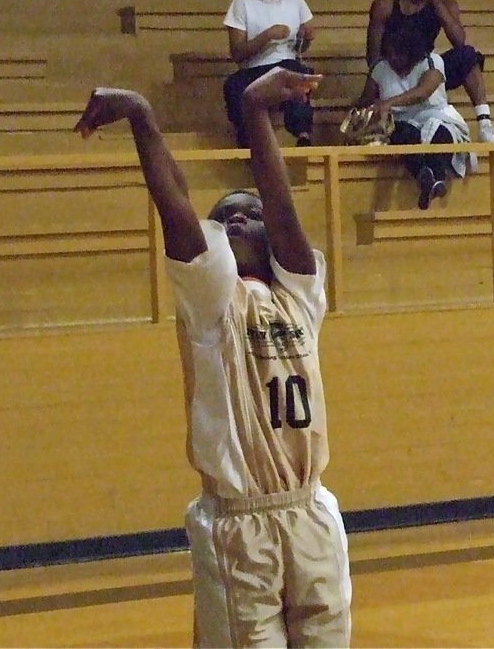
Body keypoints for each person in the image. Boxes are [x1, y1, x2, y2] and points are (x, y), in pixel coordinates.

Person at [73, 68, 352, 648]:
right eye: (226, 216)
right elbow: (174, 205)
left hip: (311, 513)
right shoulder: (212, 299)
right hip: (239, 524)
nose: (241, 217)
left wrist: (257, 114)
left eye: (251, 211)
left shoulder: (300, 292)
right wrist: (144, 116)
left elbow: (282, 208)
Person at [366, 0, 494, 143]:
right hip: (397, 69)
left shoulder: (445, 3)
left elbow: (459, 41)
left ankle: (484, 124)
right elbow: (373, 56)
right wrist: (388, 80)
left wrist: (436, 3)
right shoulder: (385, 4)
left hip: (427, 71)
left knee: (468, 55)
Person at [356, 25, 473, 210]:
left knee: (439, 134)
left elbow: (423, 92)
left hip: (436, 115)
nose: (394, 58)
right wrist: (365, 116)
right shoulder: (380, 68)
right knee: (401, 133)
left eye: (399, 54)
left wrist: (388, 103)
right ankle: (428, 178)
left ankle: (432, 175)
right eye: (390, 53)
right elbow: (366, 99)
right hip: (401, 122)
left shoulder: (432, 61)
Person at [223, 0, 317, 148]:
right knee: (233, 86)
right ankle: (249, 142)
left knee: (298, 75)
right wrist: (266, 36)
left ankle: (303, 135)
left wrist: (305, 39)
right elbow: (237, 53)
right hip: (254, 70)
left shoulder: (296, 1)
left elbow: (299, 50)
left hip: (286, 65)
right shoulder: (243, 3)